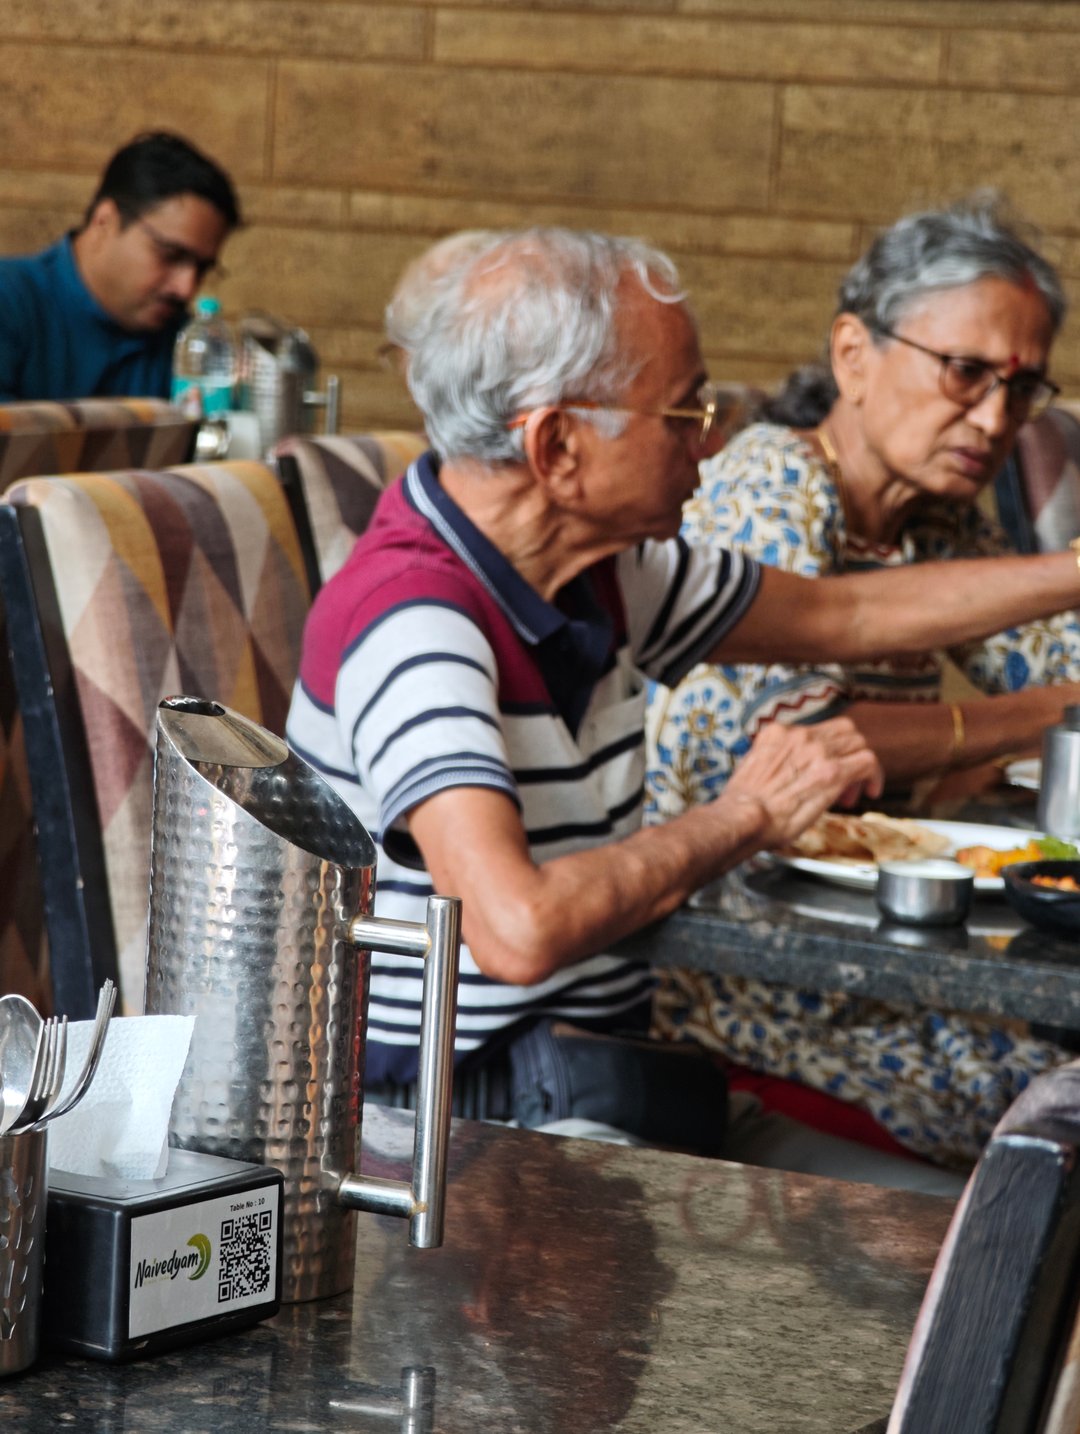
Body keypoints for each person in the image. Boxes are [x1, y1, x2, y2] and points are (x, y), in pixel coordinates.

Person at [287, 226, 1080, 1188]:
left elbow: (845, 614)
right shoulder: (418, 624)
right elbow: (517, 929)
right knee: (978, 1233)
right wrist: (747, 814)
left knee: (999, 1228)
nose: (711, 441)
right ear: (557, 446)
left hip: (617, 1081)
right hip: (463, 1129)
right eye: (683, 413)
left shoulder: (608, 572)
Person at [647, 195, 1080, 1166]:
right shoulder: (771, 481)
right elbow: (798, 751)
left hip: (890, 953)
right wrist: (1035, 719)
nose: (996, 418)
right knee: (1050, 1114)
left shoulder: (940, 523)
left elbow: (1069, 681)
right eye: (965, 372)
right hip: (753, 981)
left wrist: (1041, 714)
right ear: (854, 353)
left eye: (1022, 389)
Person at [0, 131, 240, 403]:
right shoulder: (10, 303)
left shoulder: (182, 337)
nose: (186, 289)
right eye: (170, 255)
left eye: (203, 268)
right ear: (105, 221)